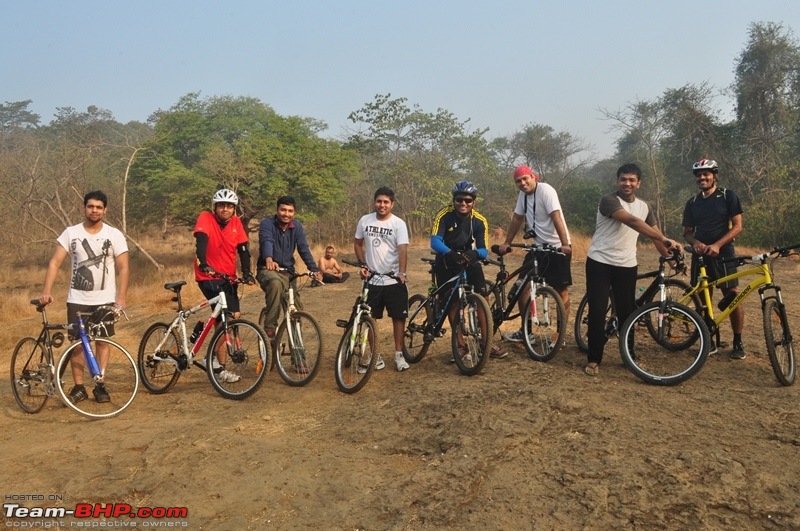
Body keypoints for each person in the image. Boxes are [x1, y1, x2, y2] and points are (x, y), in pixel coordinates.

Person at [38, 190, 129, 404]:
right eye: (90, 206)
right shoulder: (71, 233)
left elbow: (124, 268)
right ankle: (79, 387)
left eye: (99, 207)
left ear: (105, 210)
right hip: (77, 299)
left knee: (102, 342)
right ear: (84, 208)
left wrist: (121, 297)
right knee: (77, 345)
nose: (94, 210)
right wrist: (46, 291)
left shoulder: (114, 235)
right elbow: (54, 263)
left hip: (105, 299)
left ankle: (100, 383)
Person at [584, 163, 675, 376]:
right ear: (618, 181)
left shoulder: (645, 207)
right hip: (600, 262)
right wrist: (665, 238)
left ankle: (628, 356)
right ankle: (594, 359)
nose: (627, 183)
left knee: (628, 313)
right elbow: (632, 222)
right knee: (597, 311)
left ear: (639, 183)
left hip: (626, 265)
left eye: (632, 180)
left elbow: (654, 233)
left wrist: (670, 258)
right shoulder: (608, 201)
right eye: (623, 179)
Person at [431, 180, 507, 359]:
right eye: (459, 200)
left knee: (483, 299)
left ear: (474, 201)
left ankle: (486, 342)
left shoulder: (479, 220)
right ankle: (460, 345)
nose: (463, 204)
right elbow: (435, 240)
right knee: (453, 303)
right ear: (454, 200)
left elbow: (483, 248)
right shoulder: (444, 215)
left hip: (468, 261)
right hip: (447, 261)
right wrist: (448, 253)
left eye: (468, 200)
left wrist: (475, 254)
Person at [498, 165, 573, 344]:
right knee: (522, 287)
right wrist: (507, 243)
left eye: (525, 178)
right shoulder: (523, 196)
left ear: (534, 177)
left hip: (556, 247)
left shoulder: (546, 191)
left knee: (560, 290)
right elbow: (517, 218)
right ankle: (526, 331)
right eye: (518, 181)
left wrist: (564, 244)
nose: (523, 183)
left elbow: (556, 216)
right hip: (537, 248)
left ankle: (559, 335)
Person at [682, 158, 745, 359]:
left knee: (732, 295)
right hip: (701, 255)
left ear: (714, 175)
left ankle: (738, 341)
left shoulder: (727, 196)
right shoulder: (692, 203)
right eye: (699, 174)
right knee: (702, 296)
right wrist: (696, 243)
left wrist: (718, 245)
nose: (702, 177)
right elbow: (687, 233)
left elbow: (737, 226)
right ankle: (709, 338)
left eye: (706, 173)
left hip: (724, 253)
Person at [193, 188, 254, 383]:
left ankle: (218, 367)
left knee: (228, 319)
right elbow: (200, 242)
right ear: (215, 207)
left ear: (234, 209)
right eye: (221, 206)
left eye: (229, 206)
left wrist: (247, 272)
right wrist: (203, 262)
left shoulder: (236, 223)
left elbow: (243, 250)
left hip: (229, 277)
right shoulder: (205, 218)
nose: (225, 209)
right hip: (208, 275)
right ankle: (212, 360)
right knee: (226, 316)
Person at [354, 187, 411, 372]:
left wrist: (402, 272)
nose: (382, 205)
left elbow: (402, 249)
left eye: (386, 202)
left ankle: (399, 354)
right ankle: (375, 355)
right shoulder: (365, 220)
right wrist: (363, 265)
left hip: (393, 279)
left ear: (392, 204)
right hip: (372, 281)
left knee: (398, 318)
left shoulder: (398, 224)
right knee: (370, 319)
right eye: (379, 201)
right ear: (374, 202)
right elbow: (357, 243)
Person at [257, 196, 321, 338]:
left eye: (290, 211)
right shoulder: (267, 224)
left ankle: (298, 355)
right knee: (275, 284)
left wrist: (314, 269)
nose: (286, 214)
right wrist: (269, 259)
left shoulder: (296, 226)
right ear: (277, 210)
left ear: (294, 212)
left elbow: (303, 248)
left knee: (297, 311)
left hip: (288, 272)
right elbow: (266, 241)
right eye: (283, 210)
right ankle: (270, 328)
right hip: (268, 270)